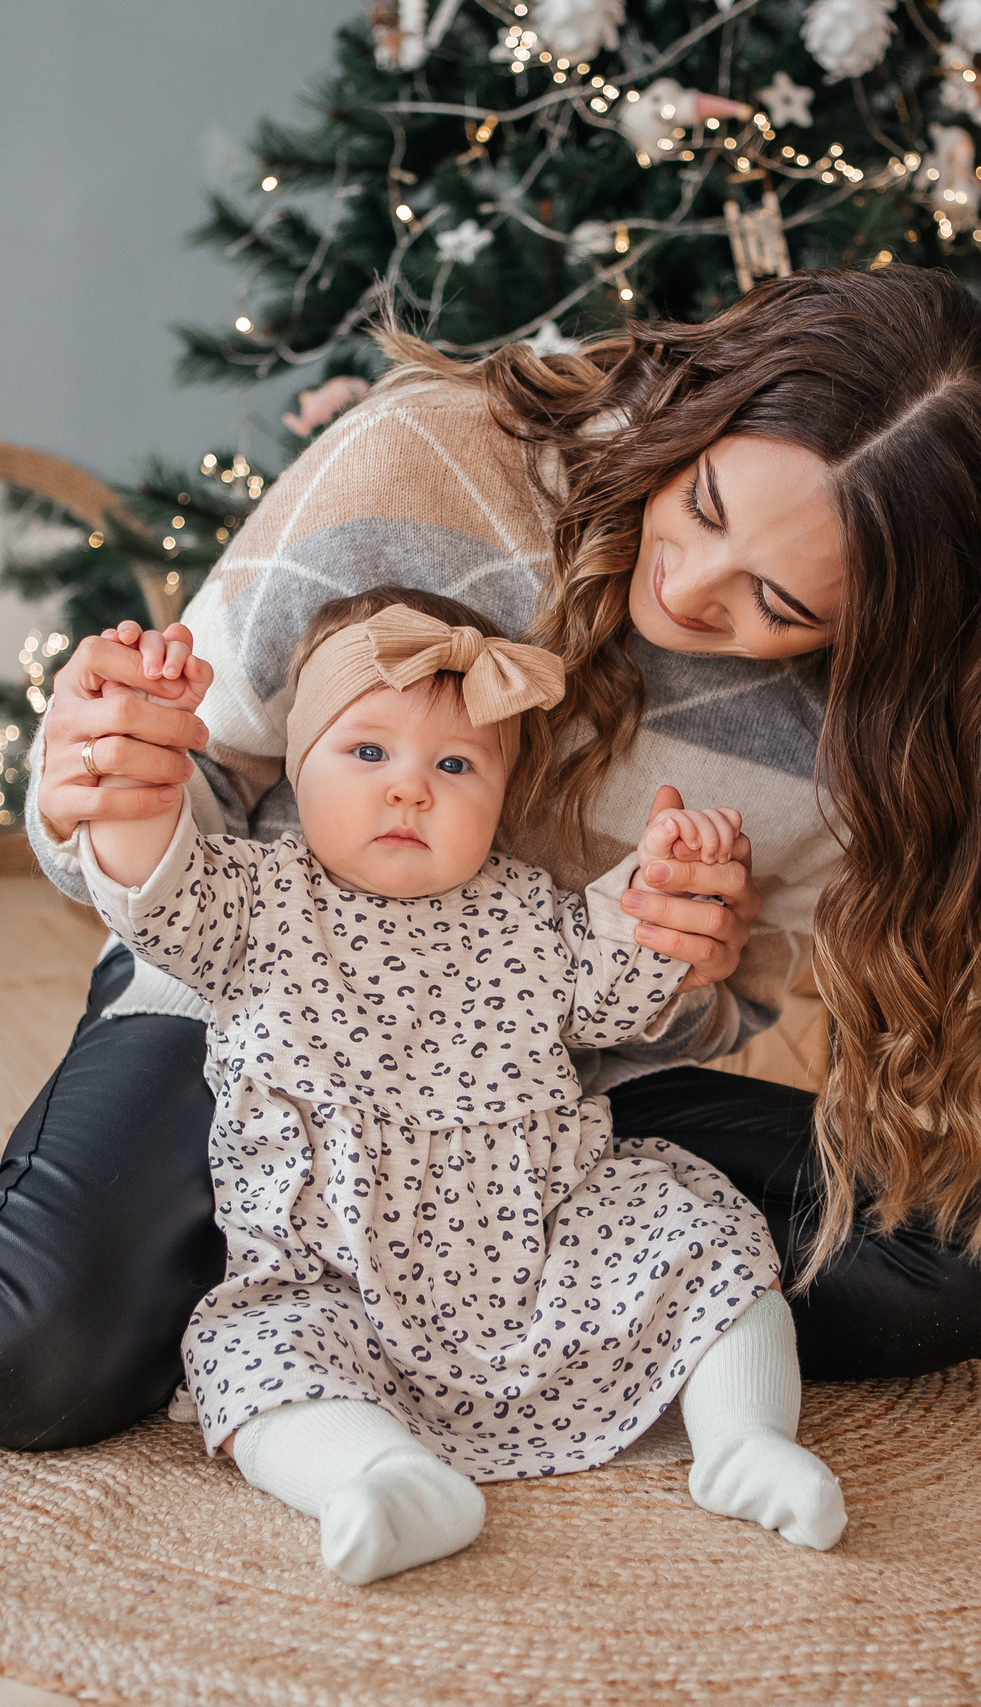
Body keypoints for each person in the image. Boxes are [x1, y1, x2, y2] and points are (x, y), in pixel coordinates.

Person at [0, 265, 981, 1453]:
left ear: (890, 632)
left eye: (777, 596)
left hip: (546, 1082)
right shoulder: (431, 462)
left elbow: (699, 1009)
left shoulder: (872, 725)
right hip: (267, 1010)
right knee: (13, 1353)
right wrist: (103, 781)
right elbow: (163, 812)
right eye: (705, 501)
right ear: (707, 403)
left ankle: (387, 1278)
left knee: (960, 1255)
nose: (687, 585)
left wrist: (688, 964)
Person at [70, 589, 841, 1583]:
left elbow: (615, 986)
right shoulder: (254, 898)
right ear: (298, 769)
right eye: (367, 753)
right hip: (333, 1268)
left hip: (542, 1243)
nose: (409, 791)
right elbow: (149, 882)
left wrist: (664, 891)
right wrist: (138, 788)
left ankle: (744, 1441)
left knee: (702, 1238)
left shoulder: (526, 912)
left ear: (500, 794)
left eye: (454, 764)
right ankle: (377, 1477)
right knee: (253, 1356)